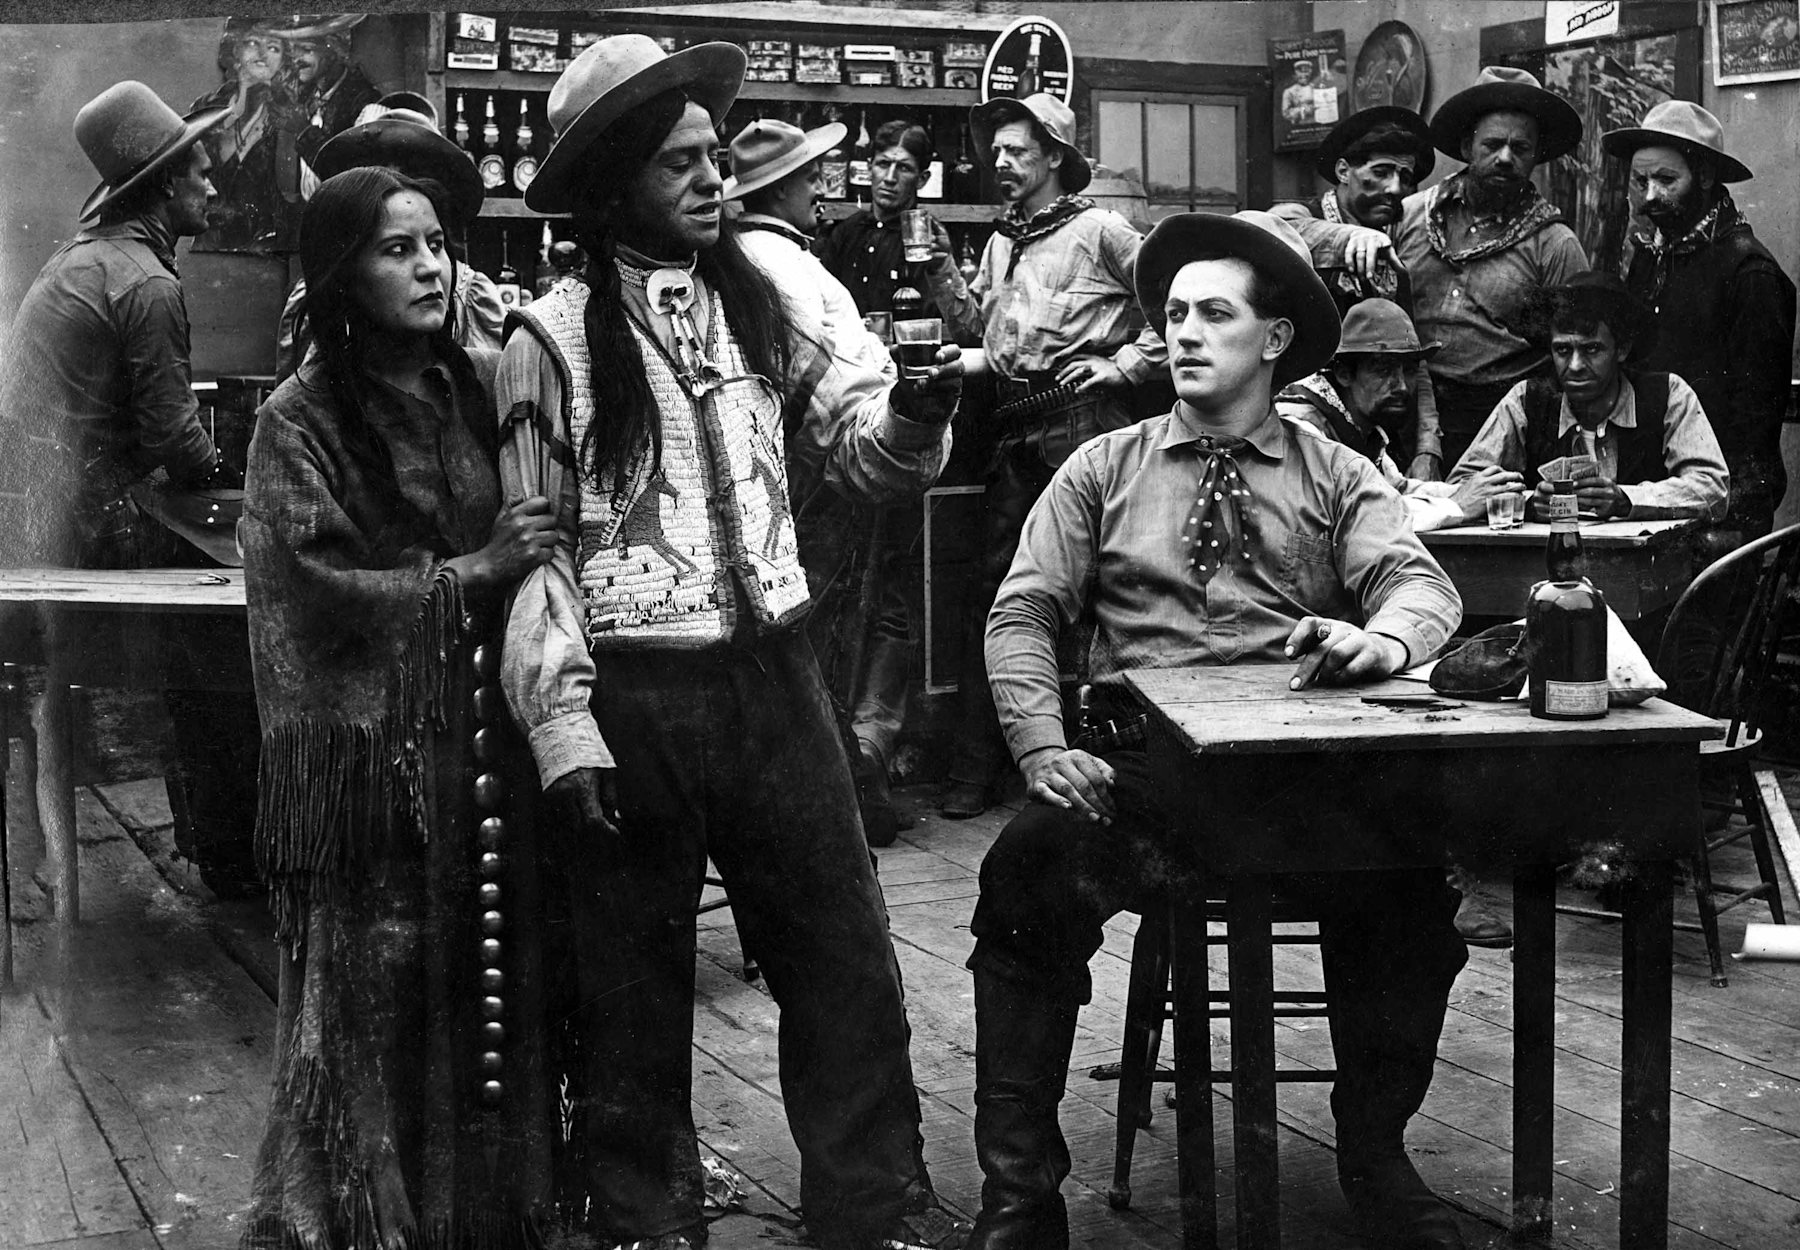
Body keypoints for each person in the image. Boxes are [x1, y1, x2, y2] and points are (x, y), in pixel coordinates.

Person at [497, 36, 967, 1250]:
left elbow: (859, 451)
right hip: (636, 697)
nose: (714, 183)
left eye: (715, 159)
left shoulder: (760, 305)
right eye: (681, 166)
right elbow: (535, 553)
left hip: (778, 679)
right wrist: (562, 725)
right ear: (612, 186)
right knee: (631, 982)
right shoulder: (546, 341)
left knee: (843, 956)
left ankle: (871, 1210)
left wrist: (915, 410)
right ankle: (645, 1219)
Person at [964, 209, 1469, 1250]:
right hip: (1142, 776)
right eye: (1173, 314)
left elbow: (1419, 582)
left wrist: (1385, 641)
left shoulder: (1335, 472)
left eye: (1214, 313)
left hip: (1303, 774)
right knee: (1024, 876)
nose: (1183, 333)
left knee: (1416, 895)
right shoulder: (1105, 467)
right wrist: (1042, 745)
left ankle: (1376, 1155)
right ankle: (1020, 1194)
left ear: (1274, 340)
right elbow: (1023, 610)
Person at [238, 165, 561, 1248]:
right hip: (373, 769)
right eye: (397, 249)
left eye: (437, 244)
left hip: (482, 744)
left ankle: (484, 1215)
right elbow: (308, 590)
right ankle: (363, 1221)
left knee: (490, 990)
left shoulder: (476, 379)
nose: (431, 266)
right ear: (340, 273)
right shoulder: (299, 418)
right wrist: (473, 570)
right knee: (375, 1004)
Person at [0, 80, 261, 896]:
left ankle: (214, 838)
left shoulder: (86, 259)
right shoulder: (144, 281)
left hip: (34, 508)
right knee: (242, 618)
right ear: (165, 188)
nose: (212, 188)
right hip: (73, 525)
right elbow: (175, 443)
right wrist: (245, 480)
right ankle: (232, 853)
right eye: (201, 176)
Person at [921, 91, 1165, 819]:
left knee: (1091, 597)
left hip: (1085, 427)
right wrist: (939, 278)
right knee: (999, 593)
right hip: (1015, 428)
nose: (999, 164)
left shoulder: (1103, 231)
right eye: (994, 152)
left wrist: (1124, 367)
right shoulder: (1003, 242)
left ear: (1054, 158)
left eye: (1015, 152)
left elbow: (1177, 300)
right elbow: (990, 341)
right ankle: (981, 767)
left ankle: (1105, 768)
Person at [725, 117, 916, 844]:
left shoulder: (744, 258)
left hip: (774, 480)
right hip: (819, 482)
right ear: (783, 187)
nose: (821, 191)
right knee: (829, 645)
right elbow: (830, 387)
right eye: (811, 178)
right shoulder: (788, 263)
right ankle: (837, 809)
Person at [1603, 100, 1795, 538]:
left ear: (1706, 176)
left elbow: (1754, 429)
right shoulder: (1651, 256)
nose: (1650, 195)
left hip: (1719, 510)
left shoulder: (1751, 275)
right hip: (1654, 492)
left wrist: (1731, 524)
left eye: (1666, 180)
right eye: (1640, 180)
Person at [1394, 67, 1590, 468]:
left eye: (1521, 149)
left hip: (1497, 428)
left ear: (1537, 156)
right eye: (1494, 144)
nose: (1505, 158)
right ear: (1468, 146)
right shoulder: (1410, 216)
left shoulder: (1553, 245)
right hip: (1401, 413)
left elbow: (1573, 353)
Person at [1450, 272, 1729, 524]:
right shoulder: (1526, 400)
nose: (1574, 366)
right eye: (1562, 350)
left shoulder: (1668, 395)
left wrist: (1626, 500)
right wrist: (1528, 503)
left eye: (1591, 349)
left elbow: (1713, 488)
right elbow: (1461, 488)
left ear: (1621, 349)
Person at [275, 92, 504, 379]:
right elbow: (297, 396)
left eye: (434, 245)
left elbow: (493, 393)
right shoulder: (321, 289)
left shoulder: (469, 292)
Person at [1272, 105, 1443, 477]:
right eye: (1380, 172)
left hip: (1370, 439)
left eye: (1405, 177)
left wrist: (1428, 448)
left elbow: (1413, 360)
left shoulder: (1391, 262)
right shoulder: (1302, 215)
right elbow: (1267, 229)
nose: (1396, 188)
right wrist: (1349, 236)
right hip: (1295, 431)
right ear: (1343, 171)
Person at [1278, 298, 1522, 533]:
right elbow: (1356, 517)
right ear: (1344, 374)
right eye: (1384, 370)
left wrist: (1477, 491)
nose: (1402, 386)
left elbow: (1397, 490)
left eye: (1409, 370)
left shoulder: (1362, 431)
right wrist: (1457, 505)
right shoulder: (1303, 427)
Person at [189, 16, 304, 252]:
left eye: (274, 47)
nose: (263, 53)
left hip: (266, 248)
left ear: (283, 60)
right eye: (253, 42)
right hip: (208, 246)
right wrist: (237, 107)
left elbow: (290, 191)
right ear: (235, 50)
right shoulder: (207, 107)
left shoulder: (292, 114)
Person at [815, 118, 947, 319]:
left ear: (922, 179)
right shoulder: (846, 233)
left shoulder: (929, 241)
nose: (890, 178)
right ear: (869, 168)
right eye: (883, 164)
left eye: (904, 168)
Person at [275, 12, 380, 168]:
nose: (296, 60)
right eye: (293, 50)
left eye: (306, 49)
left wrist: (304, 130)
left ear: (335, 51)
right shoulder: (304, 94)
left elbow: (351, 175)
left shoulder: (364, 103)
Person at [1282, 58, 1320, 128]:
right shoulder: (1289, 91)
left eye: (1306, 73)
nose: (1303, 75)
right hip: (1299, 126)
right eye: (1300, 73)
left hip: (1318, 125)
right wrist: (1302, 110)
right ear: (1295, 74)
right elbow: (1286, 113)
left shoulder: (1317, 88)